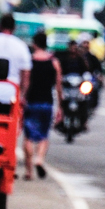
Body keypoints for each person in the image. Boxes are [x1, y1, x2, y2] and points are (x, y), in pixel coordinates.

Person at [23, 30, 62, 180]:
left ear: (34, 44)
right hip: (47, 103)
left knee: (28, 137)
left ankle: (28, 171)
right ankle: (39, 159)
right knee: (43, 136)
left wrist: (22, 97)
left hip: (31, 102)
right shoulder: (54, 62)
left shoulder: (30, 61)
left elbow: (26, 82)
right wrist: (60, 107)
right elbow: (58, 87)